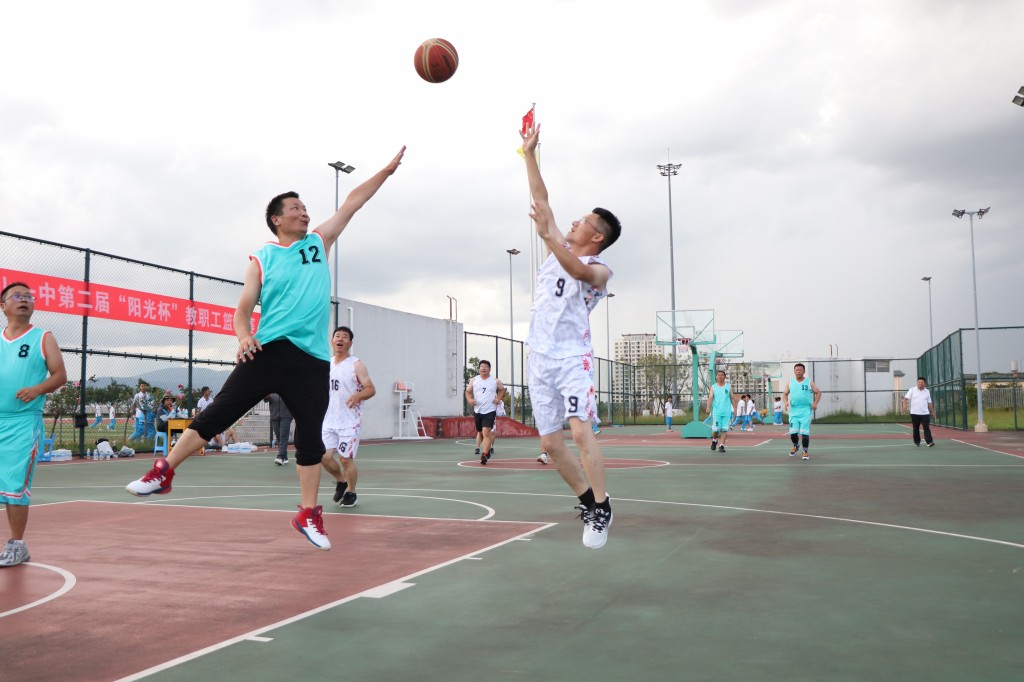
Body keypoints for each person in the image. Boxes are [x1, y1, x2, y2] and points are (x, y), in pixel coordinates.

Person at [125, 146, 406, 551]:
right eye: (296, 208)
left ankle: (308, 514)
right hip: (268, 351)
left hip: (311, 360)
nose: (305, 213)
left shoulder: (318, 242)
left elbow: (353, 202)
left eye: (306, 208)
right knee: (217, 413)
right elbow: (242, 311)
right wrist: (243, 337)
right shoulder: (262, 259)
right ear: (277, 219)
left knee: (311, 440)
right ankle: (163, 471)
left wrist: (385, 171)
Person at [521, 121, 621, 549]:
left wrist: (548, 236)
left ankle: (603, 505)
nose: (574, 221)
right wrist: (529, 154)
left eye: (584, 221)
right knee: (550, 442)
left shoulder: (600, 270)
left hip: (572, 358)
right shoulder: (556, 248)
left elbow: (578, 270)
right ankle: (590, 502)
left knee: (580, 433)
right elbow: (541, 200)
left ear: (596, 236)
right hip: (539, 358)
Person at [0, 282, 67, 567]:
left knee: (15, 483)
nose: (24, 300)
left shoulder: (43, 337)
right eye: (16, 296)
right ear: (3, 305)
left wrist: (37, 389)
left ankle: (17, 544)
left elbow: (60, 375)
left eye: (29, 296)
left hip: (22, 422)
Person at [321, 326, 376, 508]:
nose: (340, 339)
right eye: (337, 336)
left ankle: (351, 492)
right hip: (329, 420)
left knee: (345, 459)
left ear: (350, 343)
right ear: (332, 341)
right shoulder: (326, 364)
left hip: (349, 422)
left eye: (345, 337)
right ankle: (341, 480)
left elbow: (371, 389)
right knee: (324, 457)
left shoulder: (356, 365)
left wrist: (358, 395)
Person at [465, 360, 505, 465]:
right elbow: (468, 392)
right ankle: (487, 450)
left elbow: (502, 389)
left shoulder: (495, 381)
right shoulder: (474, 380)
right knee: (481, 432)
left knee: (486, 431)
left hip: (490, 410)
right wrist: (470, 400)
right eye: (481, 366)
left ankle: (485, 454)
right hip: (478, 411)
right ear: (479, 369)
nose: (483, 368)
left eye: (486, 367)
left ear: (489, 369)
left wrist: (498, 398)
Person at [783, 363, 822, 460]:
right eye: (797, 370)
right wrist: (786, 403)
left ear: (804, 371)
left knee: (805, 433)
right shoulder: (790, 381)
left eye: (800, 370)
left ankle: (805, 451)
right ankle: (796, 445)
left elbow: (818, 392)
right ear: (794, 371)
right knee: (793, 433)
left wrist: (815, 403)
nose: (798, 371)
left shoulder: (809, 382)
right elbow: (784, 394)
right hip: (794, 410)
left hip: (805, 410)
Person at [902, 376, 936, 447]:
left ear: (925, 384)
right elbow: (905, 399)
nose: (920, 383)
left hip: (925, 413)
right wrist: (904, 406)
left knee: (926, 427)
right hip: (914, 413)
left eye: (922, 382)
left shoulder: (927, 391)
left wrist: (933, 412)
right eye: (919, 382)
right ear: (917, 383)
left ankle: (929, 442)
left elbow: (929, 403)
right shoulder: (912, 390)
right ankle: (917, 442)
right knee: (916, 428)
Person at [707, 370, 733, 453]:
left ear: (724, 377)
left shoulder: (728, 386)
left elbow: (732, 397)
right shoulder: (713, 387)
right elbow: (710, 397)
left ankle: (722, 445)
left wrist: (735, 409)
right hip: (717, 412)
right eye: (718, 375)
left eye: (722, 375)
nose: (720, 376)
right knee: (716, 429)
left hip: (726, 412)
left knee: (724, 429)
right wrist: (708, 407)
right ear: (716, 377)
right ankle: (714, 440)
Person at [267, 393, 293, 465]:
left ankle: (280, 457)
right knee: (279, 437)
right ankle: (285, 458)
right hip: (274, 416)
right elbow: (266, 399)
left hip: (286, 415)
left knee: (283, 435)